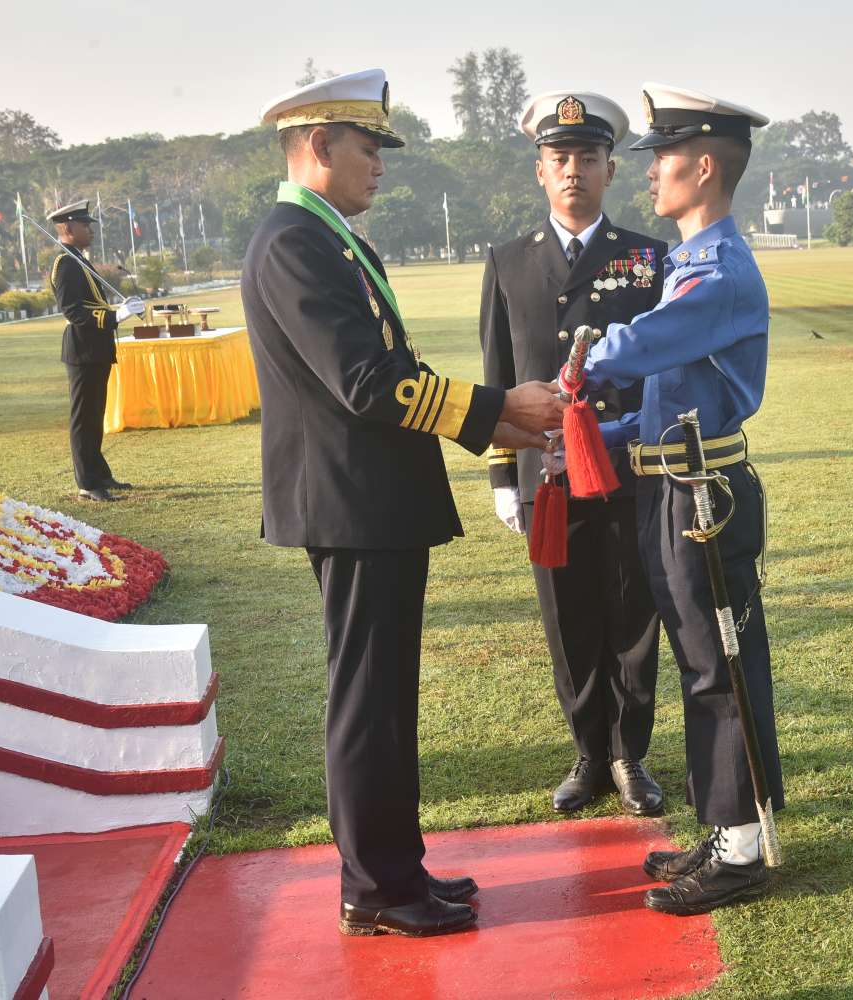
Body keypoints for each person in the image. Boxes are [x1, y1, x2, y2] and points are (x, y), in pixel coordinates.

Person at [241, 68, 564, 938]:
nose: (381, 165)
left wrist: (501, 419)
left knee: (386, 699)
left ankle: (395, 867)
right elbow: (366, 383)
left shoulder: (327, 238)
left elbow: (390, 376)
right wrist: (500, 407)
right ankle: (376, 889)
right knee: (368, 701)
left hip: (371, 502)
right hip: (350, 505)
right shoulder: (294, 242)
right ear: (319, 145)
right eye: (369, 147)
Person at [567, 83, 783, 915]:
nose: (651, 172)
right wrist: (599, 436)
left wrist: (576, 368)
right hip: (673, 484)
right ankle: (724, 825)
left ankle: (742, 848)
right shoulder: (692, 263)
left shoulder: (716, 272)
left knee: (719, 665)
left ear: (704, 168)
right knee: (701, 663)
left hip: (704, 496)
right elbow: (668, 400)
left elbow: (642, 347)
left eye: (663, 157)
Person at [480, 91, 668, 818]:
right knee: (567, 618)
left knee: (632, 614)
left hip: (628, 467)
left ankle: (629, 755)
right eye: (559, 158)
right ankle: (588, 753)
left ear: (610, 169)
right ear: (539, 169)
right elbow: (499, 374)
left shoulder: (647, 259)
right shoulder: (507, 263)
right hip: (546, 472)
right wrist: (503, 475)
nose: (573, 171)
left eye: (588, 158)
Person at [47, 202, 144, 502]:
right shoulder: (65, 263)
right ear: (68, 228)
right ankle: (87, 483)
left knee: (95, 414)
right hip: (82, 349)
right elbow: (73, 310)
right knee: (83, 418)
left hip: (96, 349)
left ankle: (99, 473)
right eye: (85, 225)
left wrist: (120, 308)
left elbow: (92, 303)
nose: (90, 230)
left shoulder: (78, 259)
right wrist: (114, 317)